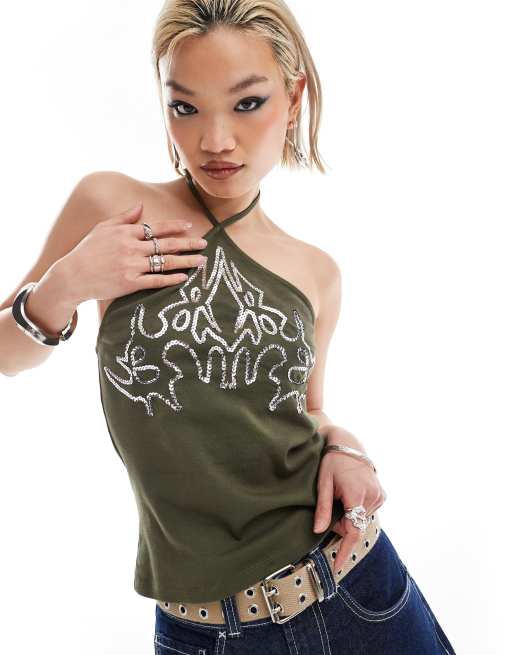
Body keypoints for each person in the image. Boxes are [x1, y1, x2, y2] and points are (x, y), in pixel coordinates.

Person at [0, 1, 457, 653]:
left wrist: (346, 447)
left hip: (359, 596)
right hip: (201, 630)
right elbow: (6, 354)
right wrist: (67, 283)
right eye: (185, 107)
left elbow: (307, 411)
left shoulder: (316, 272)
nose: (215, 140)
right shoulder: (112, 205)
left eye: (246, 103)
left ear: (293, 98)